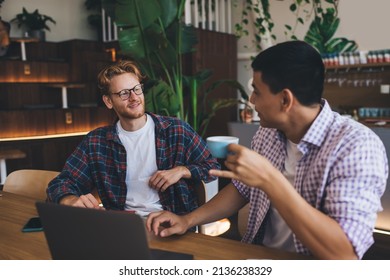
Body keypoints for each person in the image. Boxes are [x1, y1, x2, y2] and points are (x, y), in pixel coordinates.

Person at [146, 41, 388, 259]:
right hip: (258, 256)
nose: (251, 100)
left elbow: (344, 255)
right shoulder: (268, 133)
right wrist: (186, 220)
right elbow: (241, 190)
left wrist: (270, 179)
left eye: (257, 92)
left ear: (285, 100)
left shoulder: (356, 146)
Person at [47, 60, 220, 217]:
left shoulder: (176, 130)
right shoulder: (96, 142)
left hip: (173, 223)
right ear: (108, 101)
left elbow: (212, 167)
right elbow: (63, 182)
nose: (134, 97)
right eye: (123, 93)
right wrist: (68, 199)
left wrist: (182, 170)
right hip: (123, 226)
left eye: (137, 89)